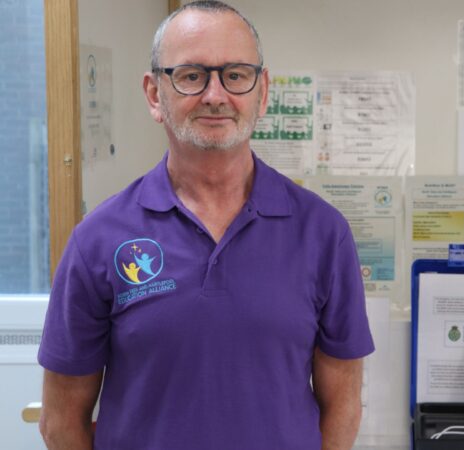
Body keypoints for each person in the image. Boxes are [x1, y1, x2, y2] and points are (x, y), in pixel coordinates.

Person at [37, 2, 374, 449]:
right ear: (155, 94)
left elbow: (343, 407)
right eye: (192, 75)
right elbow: (61, 423)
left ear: (262, 90)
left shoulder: (323, 233)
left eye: (235, 75)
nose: (216, 95)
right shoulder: (98, 240)